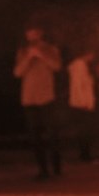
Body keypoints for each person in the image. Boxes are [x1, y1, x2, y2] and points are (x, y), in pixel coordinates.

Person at [14, 25, 63, 179]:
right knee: (35, 137)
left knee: (52, 134)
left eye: (34, 32)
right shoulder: (22, 52)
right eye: (28, 33)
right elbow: (17, 72)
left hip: (47, 97)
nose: (31, 36)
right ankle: (43, 170)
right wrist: (29, 57)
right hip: (29, 99)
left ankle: (57, 167)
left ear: (40, 33)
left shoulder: (50, 49)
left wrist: (41, 55)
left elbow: (57, 66)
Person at [67, 49, 98, 162]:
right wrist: (83, 102)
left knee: (84, 130)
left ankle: (85, 154)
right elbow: (78, 86)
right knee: (84, 130)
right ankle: (85, 155)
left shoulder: (80, 65)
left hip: (81, 103)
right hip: (82, 104)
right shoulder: (79, 65)